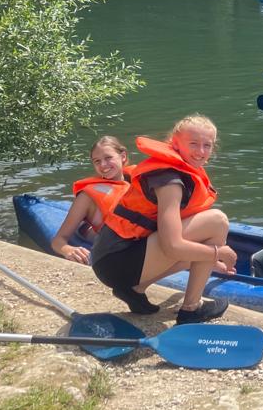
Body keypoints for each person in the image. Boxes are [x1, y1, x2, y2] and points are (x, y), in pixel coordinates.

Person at [90, 114, 237, 322]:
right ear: (174, 144)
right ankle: (191, 309)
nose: (201, 151)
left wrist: (208, 257)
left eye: (208, 145)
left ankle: (135, 289)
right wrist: (217, 252)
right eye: (193, 144)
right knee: (217, 222)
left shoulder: (178, 172)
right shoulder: (170, 182)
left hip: (113, 259)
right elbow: (172, 246)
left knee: (201, 242)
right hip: (116, 261)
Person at [51, 136, 133, 264]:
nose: (103, 165)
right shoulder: (87, 196)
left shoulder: (138, 182)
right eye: (97, 161)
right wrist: (67, 250)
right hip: (110, 241)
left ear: (123, 156)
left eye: (108, 158)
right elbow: (58, 241)